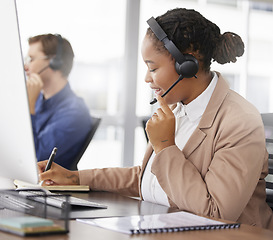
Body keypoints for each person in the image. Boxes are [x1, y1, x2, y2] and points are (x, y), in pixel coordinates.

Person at [37, 9, 273, 229]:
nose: (147, 79)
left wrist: (166, 147)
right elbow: (148, 178)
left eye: (152, 68)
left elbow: (216, 212)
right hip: (167, 227)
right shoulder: (178, 107)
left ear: (186, 65)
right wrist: (75, 177)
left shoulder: (239, 121)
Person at [24, 33, 92, 170]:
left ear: (54, 62)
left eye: (31, 59)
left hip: (48, 188)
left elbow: (36, 159)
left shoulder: (75, 112)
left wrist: (29, 108)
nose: (26, 66)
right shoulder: (38, 100)